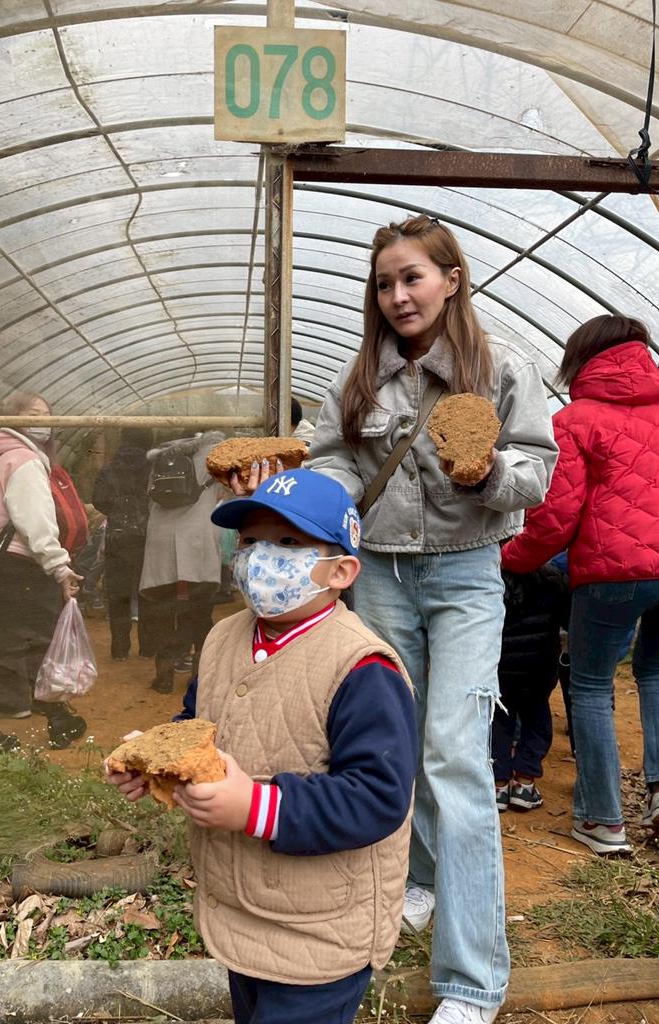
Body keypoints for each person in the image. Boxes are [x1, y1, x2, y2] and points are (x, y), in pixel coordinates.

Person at [289, 216, 558, 1023]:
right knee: (395, 746)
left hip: (466, 574)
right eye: (384, 283)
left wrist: (486, 471)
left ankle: (471, 982)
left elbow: (537, 472)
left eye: (411, 277)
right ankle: (421, 878)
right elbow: (333, 457)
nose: (398, 295)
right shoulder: (359, 376)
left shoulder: (501, 366)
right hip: (380, 574)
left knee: (455, 757)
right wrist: (309, 492)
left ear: (450, 279)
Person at [108, 469, 418, 1024]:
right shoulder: (222, 638)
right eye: (250, 540)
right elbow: (197, 725)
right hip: (239, 911)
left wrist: (256, 807)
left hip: (321, 933)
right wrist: (155, 759)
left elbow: (379, 797)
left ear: (342, 571)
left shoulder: (363, 668)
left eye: (289, 542)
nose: (260, 557)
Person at [501, 314, 659, 853]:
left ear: (582, 359)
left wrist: (512, 558)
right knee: (655, 672)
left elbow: (554, 521)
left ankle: (602, 819)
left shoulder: (575, 421)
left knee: (590, 686)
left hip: (612, 573)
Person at [0, 392, 87, 762]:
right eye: (33, 413)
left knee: (34, 644)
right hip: (21, 567)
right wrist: (60, 567)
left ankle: (57, 715)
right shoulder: (25, 461)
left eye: (47, 414)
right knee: (16, 648)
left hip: (6, 569)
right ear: (12, 419)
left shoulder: (4, 456)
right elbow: (37, 523)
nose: (43, 421)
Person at [139, 431, 226, 694]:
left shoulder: (161, 456)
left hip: (162, 544)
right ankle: (198, 677)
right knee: (200, 610)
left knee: (165, 611)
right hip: (198, 543)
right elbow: (230, 493)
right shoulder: (217, 455)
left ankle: (164, 676)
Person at [493, 560, 570, 812]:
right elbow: (568, 618)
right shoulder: (554, 577)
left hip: (502, 665)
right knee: (537, 721)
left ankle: (499, 784)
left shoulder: (494, 574)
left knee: (500, 722)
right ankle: (525, 783)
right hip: (540, 667)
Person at [92, 428, 152, 659]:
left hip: (117, 537)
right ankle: (148, 647)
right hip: (147, 537)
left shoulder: (110, 468)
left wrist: (117, 510)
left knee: (118, 595)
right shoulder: (151, 466)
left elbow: (98, 499)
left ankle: (119, 649)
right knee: (147, 593)